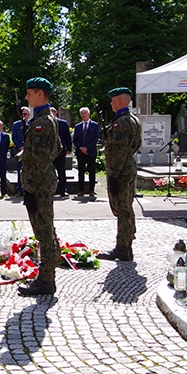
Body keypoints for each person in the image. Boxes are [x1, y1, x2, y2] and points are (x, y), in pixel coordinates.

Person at [16, 79, 62, 296]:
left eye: (29, 93)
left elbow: (42, 158)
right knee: (47, 229)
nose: (26, 98)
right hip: (43, 182)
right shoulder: (46, 119)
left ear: (40, 94)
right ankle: (47, 275)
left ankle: (46, 280)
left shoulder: (42, 122)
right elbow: (57, 149)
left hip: (39, 185)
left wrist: (31, 187)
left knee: (44, 232)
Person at [98, 87, 143, 262]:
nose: (110, 103)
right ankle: (126, 244)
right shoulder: (133, 119)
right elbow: (135, 145)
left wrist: (114, 175)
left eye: (112, 100)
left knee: (122, 210)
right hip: (128, 167)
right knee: (127, 208)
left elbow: (118, 151)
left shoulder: (122, 122)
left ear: (119, 101)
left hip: (121, 171)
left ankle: (123, 248)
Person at [72, 107, 101, 197]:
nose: (83, 115)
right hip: (80, 153)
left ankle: (91, 190)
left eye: (85, 113)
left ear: (89, 114)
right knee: (81, 172)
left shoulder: (95, 125)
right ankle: (81, 190)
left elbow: (95, 139)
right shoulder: (77, 126)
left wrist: (87, 148)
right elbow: (75, 140)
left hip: (91, 152)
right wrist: (81, 148)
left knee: (92, 171)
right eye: (82, 113)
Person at [50, 107, 72, 197]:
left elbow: (67, 137)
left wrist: (69, 149)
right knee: (51, 173)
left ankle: (63, 190)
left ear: (55, 113)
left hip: (60, 152)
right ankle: (52, 190)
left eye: (52, 113)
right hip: (50, 153)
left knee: (61, 171)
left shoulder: (63, 123)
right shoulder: (47, 123)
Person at [10, 106, 31, 195]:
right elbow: (14, 137)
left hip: (30, 151)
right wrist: (20, 147)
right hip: (20, 151)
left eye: (25, 114)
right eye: (22, 114)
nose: (23, 116)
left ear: (29, 115)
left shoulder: (32, 124)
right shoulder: (16, 124)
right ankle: (20, 189)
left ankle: (29, 190)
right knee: (20, 170)